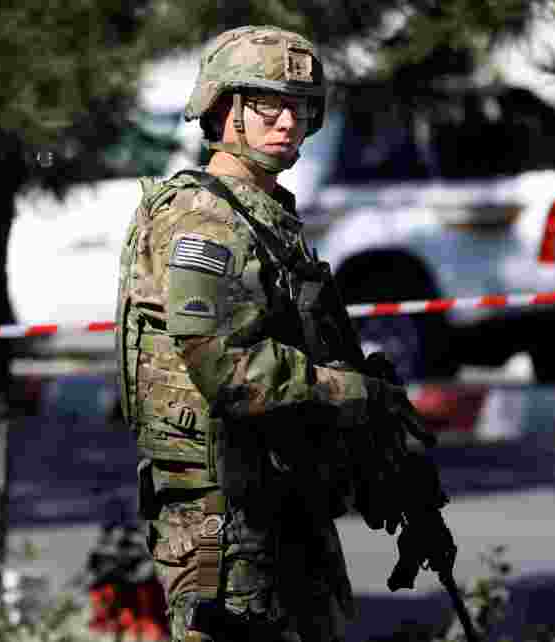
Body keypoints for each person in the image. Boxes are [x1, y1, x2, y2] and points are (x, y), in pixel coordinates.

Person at [115, 25, 454, 642]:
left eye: (300, 107)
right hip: (228, 524)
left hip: (282, 506)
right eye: (267, 104)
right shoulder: (203, 220)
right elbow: (227, 368)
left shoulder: (264, 215)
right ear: (222, 107)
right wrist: (353, 393)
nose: (288, 122)